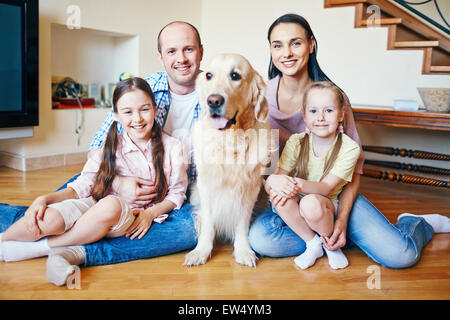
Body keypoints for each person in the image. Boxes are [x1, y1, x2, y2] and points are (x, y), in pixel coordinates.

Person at [0, 21, 202, 284]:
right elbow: (96, 160)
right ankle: (48, 237)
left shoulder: (219, 93)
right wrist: (115, 181)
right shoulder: (145, 89)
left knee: (190, 229)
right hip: (107, 181)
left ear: (201, 51)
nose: (181, 58)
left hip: (172, 198)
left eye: (188, 49)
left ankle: (70, 249)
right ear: (161, 56)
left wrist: (151, 211)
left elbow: (181, 190)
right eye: (172, 51)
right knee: (53, 210)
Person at [248, 13, 450, 269]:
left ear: (311, 45)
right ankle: (325, 238)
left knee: (402, 255)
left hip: (334, 196)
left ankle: (414, 223)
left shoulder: (334, 98)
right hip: (291, 200)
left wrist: (341, 221)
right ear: (271, 50)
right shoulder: (260, 98)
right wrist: (274, 182)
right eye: (278, 45)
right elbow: (261, 163)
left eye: (295, 43)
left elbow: (354, 171)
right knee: (260, 240)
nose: (286, 53)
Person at [265, 81, 360, 270]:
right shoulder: (297, 141)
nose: (321, 118)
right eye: (314, 111)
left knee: (310, 203)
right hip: (297, 200)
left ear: (341, 114)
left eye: (329, 111)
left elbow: (325, 188)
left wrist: (294, 183)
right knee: (278, 196)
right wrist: (274, 180)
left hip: (325, 204)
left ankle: (330, 244)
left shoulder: (349, 148)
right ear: (304, 116)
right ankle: (313, 243)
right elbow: (277, 177)